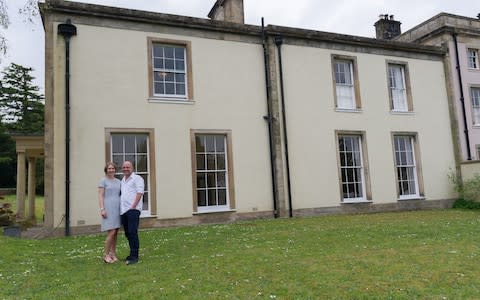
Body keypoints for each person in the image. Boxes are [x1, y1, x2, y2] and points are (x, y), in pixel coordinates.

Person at [120, 161, 144, 265]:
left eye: (128, 167)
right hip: (123, 210)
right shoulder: (123, 180)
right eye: (124, 167)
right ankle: (131, 254)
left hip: (133, 210)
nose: (126, 169)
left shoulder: (137, 178)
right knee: (127, 233)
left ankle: (135, 256)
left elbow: (140, 192)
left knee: (132, 232)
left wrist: (133, 206)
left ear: (132, 168)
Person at [98, 162, 121, 263]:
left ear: (115, 170)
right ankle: (106, 255)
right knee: (111, 232)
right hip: (108, 208)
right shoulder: (103, 181)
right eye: (109, 168)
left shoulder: (118, 181)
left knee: (115, 232)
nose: (111, 170)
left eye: (113, 168)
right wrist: (102, 209)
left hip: (117, 208)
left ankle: (113, 254)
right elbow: (100, 195)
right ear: (106, 170)